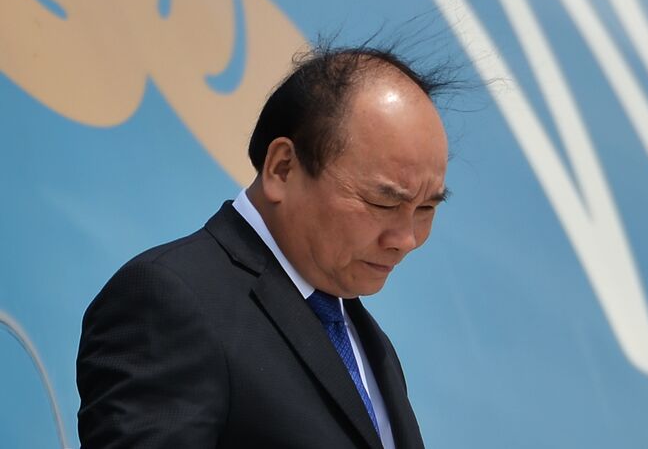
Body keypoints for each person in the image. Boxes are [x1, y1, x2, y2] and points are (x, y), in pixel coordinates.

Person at [77, 45, 455, 448]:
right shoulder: (173, 300)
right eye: (383, 202)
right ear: (282, 168)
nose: (406, 239)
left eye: (426, 208)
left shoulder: (365, 342)